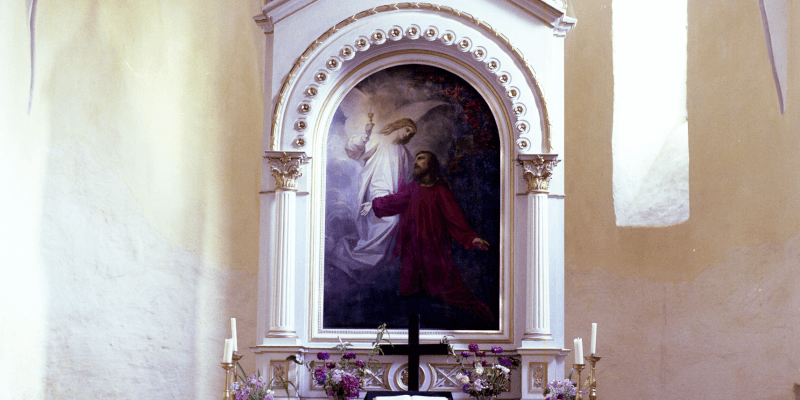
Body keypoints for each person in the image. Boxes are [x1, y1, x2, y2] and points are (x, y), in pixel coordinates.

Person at [361, 151, 494, 322]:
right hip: (411, 251)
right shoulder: (412, 189)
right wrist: (373, 203)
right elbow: (394, 200)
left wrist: (471, 238)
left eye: (421, 158)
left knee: (447, 286)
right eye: (415, 159)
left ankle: (484, 317)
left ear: (431, 165)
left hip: (434, 251)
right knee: (408, 290)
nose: (416, 162)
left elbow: (455, 219)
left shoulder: (441, 192)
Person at [331, 118, 417, 281]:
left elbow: (406, 178)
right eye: (407, 130)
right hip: (376, 189)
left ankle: (361, 261)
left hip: (391, 194)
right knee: (391, 222)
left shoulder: (403, 152)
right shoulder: (379, 140)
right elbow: (355, 153)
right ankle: (356, 258)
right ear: (399, 127)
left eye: (411, 134)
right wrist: (366, 136)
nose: (408, 135)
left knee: (391, 225)